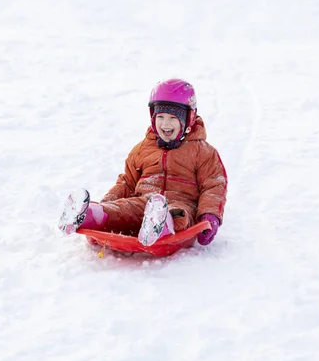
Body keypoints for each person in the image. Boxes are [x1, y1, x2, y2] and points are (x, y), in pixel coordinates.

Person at [58, 78, 227, 247]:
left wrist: (209, 215)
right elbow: (127, 181)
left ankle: (161, 225)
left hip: (181, 203)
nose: (165, 123)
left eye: (172, 118)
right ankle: (91, 215)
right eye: (160, 116)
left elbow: (213, 187)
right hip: (144, 201)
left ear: (188, 119)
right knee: (123, 209)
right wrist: (107, 202)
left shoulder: (203, 152)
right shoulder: (143, 148)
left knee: (179, 215)